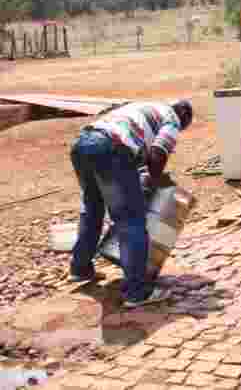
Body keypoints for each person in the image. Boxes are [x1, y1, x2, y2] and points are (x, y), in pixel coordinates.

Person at [68, 99, 193, 307]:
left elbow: (136, 151)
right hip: (110, 149)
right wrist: (154, 184)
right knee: (131, 220)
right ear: (183, 118)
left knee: (92, 210)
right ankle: (137, 292)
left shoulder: (144, 107)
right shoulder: (172, 120)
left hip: (83, 144)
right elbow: (158, 154)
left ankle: (80, 269)